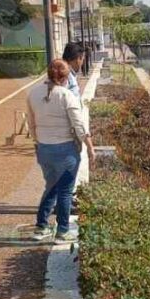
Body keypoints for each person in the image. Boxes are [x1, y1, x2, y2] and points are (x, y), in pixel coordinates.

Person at [27, 60, 96, 243]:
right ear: (66, 78)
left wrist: (38, 142)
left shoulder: (33, 94)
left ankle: (41, 227)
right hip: (66, 150)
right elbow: (79, 125)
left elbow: (31, 124)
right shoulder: (66, 95)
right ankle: (62, 231)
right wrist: (89, 147)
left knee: (51, 187)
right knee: (65, 191)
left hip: (44, 149)